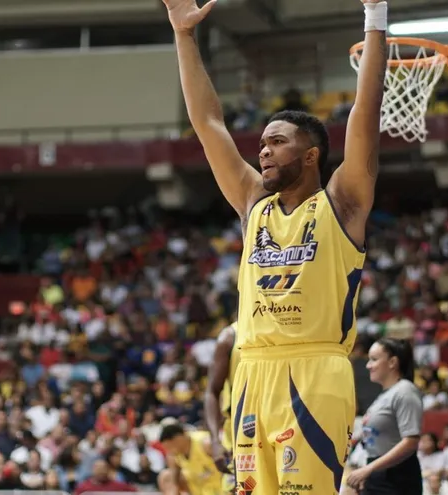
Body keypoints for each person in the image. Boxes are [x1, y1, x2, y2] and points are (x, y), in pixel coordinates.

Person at [162, 0, 386, 492]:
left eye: (277, 142)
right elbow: (209, 124)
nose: (262, 149)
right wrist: (183, 36)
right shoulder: (253, 204)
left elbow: (365, 114)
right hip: (252, 372)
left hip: (315, 371)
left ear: (310, 156)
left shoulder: (343, 204)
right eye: (262, 142)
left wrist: (375, 16)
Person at [346, 338, 422, 494]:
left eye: (374, 359)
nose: (368, 365)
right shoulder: (384, 395)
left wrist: (370, 469)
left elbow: (411, 441)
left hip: (397, 478)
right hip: (377, 473)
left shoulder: (405, 391)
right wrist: (366, 470)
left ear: (392, 362)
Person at [204, 322, 239, 493]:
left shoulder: (284, 326)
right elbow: (212, 391)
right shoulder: (230, 336)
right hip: (238, 432)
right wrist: (215, 440)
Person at [158, 423, 224, 495]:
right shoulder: (174, 456)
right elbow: (174, 484)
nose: (169, 451)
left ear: (178, 439)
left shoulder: (205, 443)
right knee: (166, 476)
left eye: (169, 447)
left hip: (222, 489)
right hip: (199, 490)